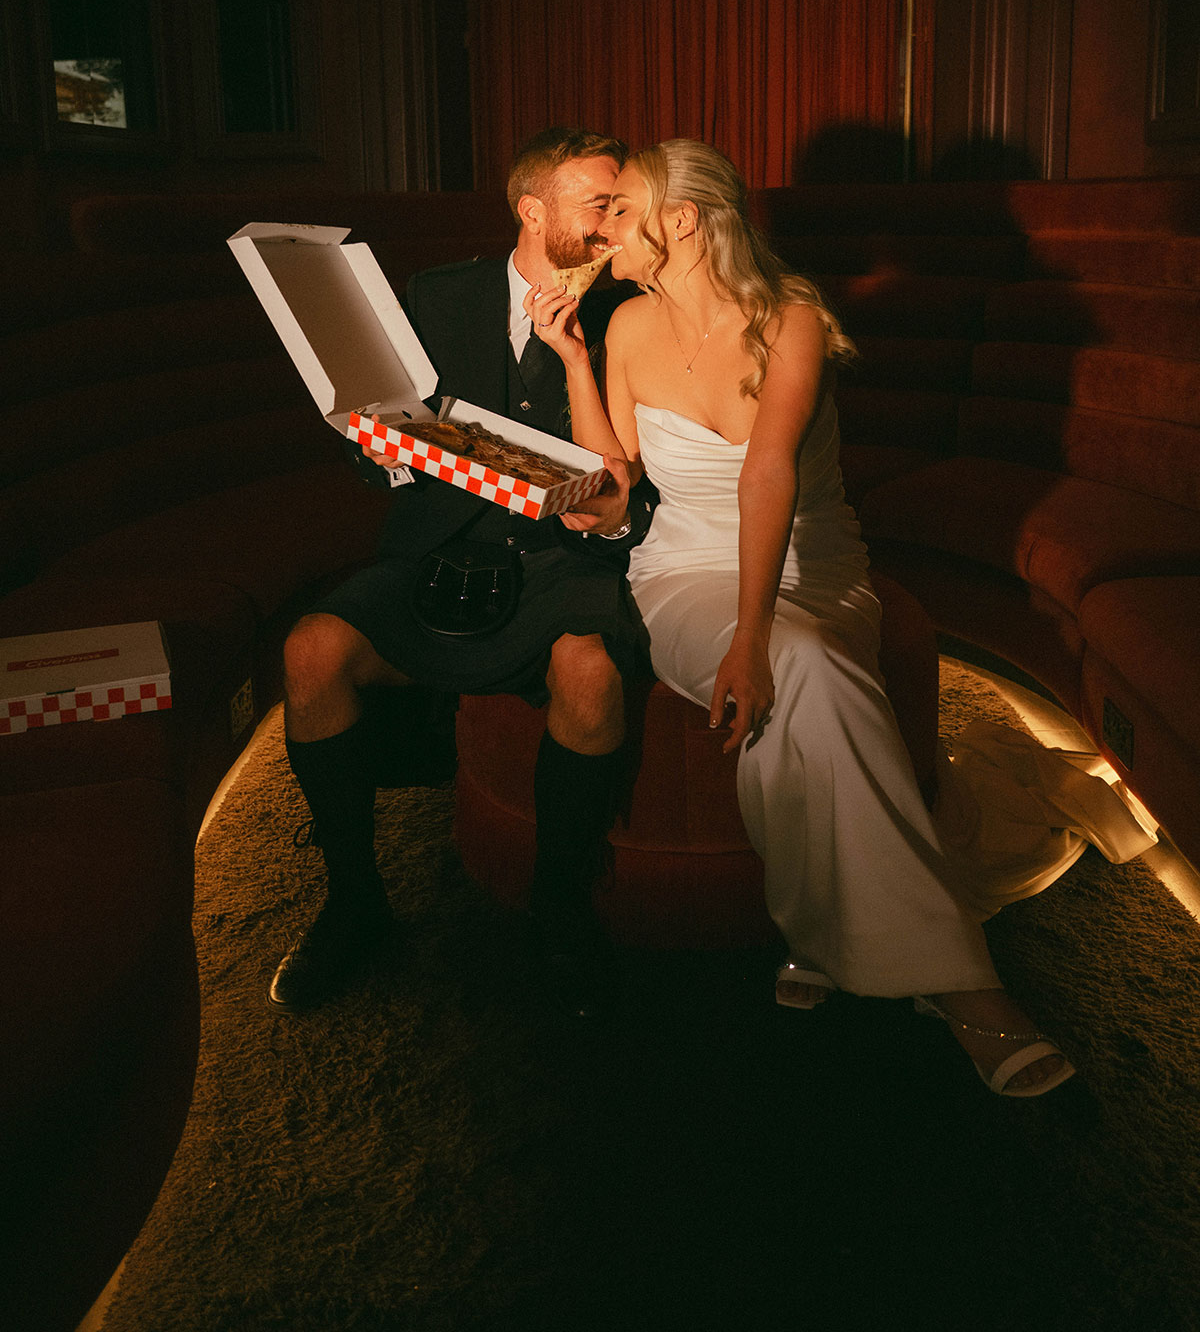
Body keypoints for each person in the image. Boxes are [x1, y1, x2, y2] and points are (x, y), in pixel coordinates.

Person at [532, 138, 1074, 1097]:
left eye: (625, 210)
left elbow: (767, 475)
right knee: (810, 667)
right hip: (682, 572)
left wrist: (751, 638)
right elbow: (618, 487)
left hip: (809, 561)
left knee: (801, 657)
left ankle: (822, 934)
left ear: (684, 220)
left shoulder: (791, 321)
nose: (603, 228)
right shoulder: (620, 328)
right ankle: (962, 986)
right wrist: (572, 358)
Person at [272, 129, 654, 1020]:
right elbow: (380, 455)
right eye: (597, 203)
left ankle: (559, 913)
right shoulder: (438, 296)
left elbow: (637, 476)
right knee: (309, 651)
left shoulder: (628, 312)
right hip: (439, 542)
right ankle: (356, 905)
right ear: (533, 210)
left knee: (591, 674)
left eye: (619, 205)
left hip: (566, 557)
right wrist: (378, 440)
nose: (611, 223)